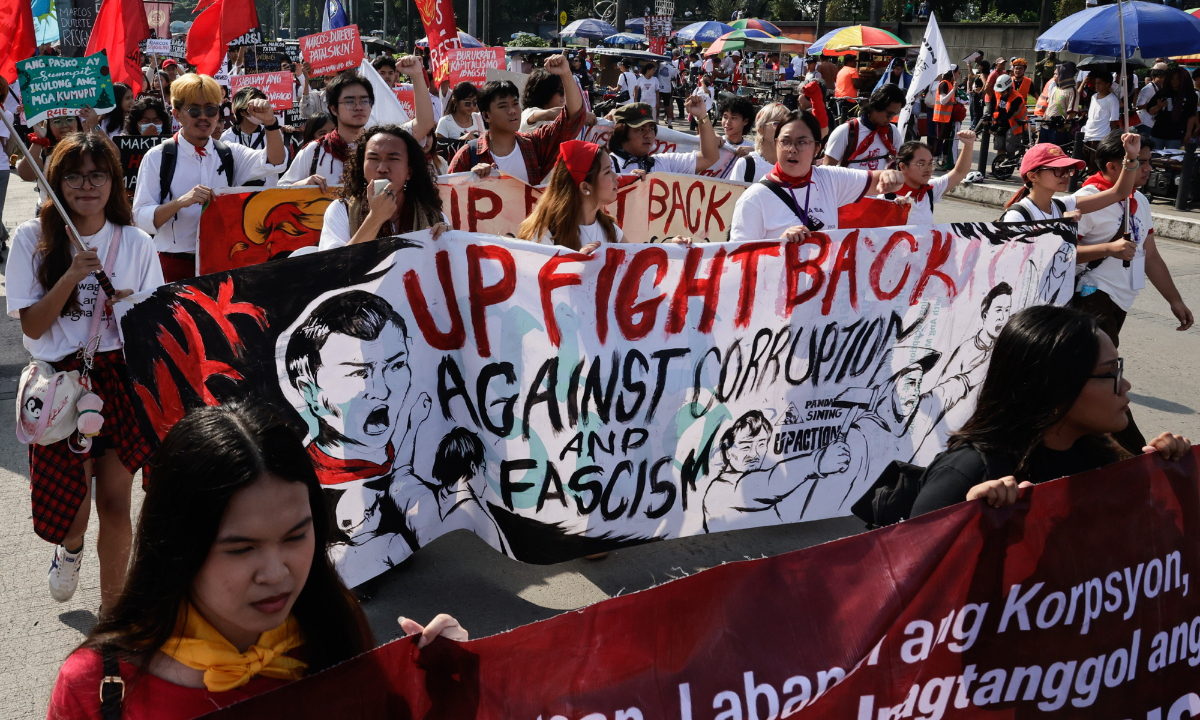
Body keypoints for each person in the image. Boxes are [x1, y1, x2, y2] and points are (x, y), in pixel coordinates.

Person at [44, 403, 467, 718]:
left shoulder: (333, 630)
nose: (276, 573)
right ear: (176, 543)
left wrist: (443, 692)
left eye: (296, 536)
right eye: (241, 548)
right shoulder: (94, 687)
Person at [6, 132, 163, 612]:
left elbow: (155, 323)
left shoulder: (134, 241)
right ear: (56, 180)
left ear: (114, 181)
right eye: (73, 174)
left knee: (116, 503)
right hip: (59, 383)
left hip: (119, 379)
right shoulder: (32, 239)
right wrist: (70, 276)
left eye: (98, 174)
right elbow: (31, 324)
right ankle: (70, 550)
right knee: (73, 511)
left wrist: (128, 308)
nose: (86, 185)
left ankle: (113, 615)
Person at [910, 306, 1191, 517]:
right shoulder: (967, 472)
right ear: (1056, 387)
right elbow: (904, 576)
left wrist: (1167, 476)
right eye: (1110, 373)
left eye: (1119, 368)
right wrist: (964, 522)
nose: (1125, 386)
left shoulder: (1099, 456)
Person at [1070, 131, 1193, 452]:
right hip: (1091, 299)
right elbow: (1061, 254)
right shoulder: (1088, 198)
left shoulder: (1141, 200)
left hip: (1119, 303)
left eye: (1149, 161)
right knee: (1106, 381)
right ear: (1114, 166)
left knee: (1082, 381)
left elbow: (1149, 254)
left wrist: (1175, 300)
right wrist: (1108, 249)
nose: (1149, 169)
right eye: (1142, 162)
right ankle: (1133, 454)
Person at [132, 74, 286, 283]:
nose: (203, 117)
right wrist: (180, 203)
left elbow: (275, 161)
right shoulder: (158, 157)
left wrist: (270, 122)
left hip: (221, 265)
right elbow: (141, 218)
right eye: (194, 110)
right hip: (173, 267)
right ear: (177, 114)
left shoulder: (229, 153)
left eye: (211, 110)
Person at [729, 109, 905, 242]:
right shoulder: (754, 199)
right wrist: (778, 244)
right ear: (776, 144)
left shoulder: (829, 179)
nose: (792, 149)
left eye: (802, 142)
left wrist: (893, 177)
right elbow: (738, 261)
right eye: (785, 141)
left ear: (817, 149)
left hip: (823, 288)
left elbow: (880, 181)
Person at [282, 57, 436, 190]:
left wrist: (416, 75)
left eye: (364, 100)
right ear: (334, 109)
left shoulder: (383, 143)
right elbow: (279, 190)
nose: (358, 107)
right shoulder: (315, 151)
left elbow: (424, 123)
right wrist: (303, 184)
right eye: (349, 101)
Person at [448, 53, 585, 186]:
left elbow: (573, 117)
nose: (512, 110)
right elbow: (448, 196)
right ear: (486, 116)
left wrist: (566, 73)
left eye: (515, 103)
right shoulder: (468, 155)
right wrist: (469, 180)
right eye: (503, 106)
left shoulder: (533, 145)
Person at [318, 125, 448, 251]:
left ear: (409, 171)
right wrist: (375, 218)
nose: (382, 169)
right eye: (373, 158)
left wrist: (447, 239)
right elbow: (334, 269)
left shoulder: (433, 215)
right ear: (362, 166)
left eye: (393, 159)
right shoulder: (341, 210)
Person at [1000, 136, 1142, 223]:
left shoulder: (1062, 205)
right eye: (1058, 169)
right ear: (1033, 176)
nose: (1066, 175)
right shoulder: (1017, 216)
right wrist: (1058, 226)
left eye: (1068, 169)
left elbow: (1119, 193)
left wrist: (1131, 157)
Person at [517, 140, 622, 252]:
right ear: (585, 187)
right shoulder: (543, 232)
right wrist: (577, 263)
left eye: (612, 169)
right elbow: (536, 269)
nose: (616, 177)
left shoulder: (608, 227)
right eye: (607, 172)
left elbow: (635, 264)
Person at [885, 131, 977, 226]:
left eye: (930, 163)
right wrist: (891, 207)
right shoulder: (886, 195)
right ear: (903, 166)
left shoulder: (929, 191)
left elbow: (959, 172)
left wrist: (968, 144)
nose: (928, 169)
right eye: (921, 164)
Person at [607, 97, 720, 175]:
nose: (648, 135)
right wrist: (625, 182)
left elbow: (709, 157)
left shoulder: (664, 163)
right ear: (622, 132)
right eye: (640, 129)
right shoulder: (607, 165)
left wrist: (702, 116)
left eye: (651, 128)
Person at [220, 86, 291, 188]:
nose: (261, 112)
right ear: (242, 111)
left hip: (268, 195)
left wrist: (271, 122)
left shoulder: (272, 133)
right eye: (256, 108)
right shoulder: (227, 138)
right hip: (240, 199)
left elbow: (278, 163)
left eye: (263, 107)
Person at [824, 84, 905, 170]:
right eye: (889, 114)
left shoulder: (892, 132)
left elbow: (902, 162)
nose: (891, 118)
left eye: (894, 114)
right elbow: (826, 172)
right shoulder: (845, 132)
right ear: (875, 106)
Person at [730, 102, 791, 183]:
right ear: (760, 129)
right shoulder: (747, 164)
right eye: (776, 123)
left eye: (786, 124)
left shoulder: (792, 164)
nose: (783, 129)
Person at [1150, 67, 1199, 151]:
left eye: (1178, 79)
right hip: (1158, 132)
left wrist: (1188, 134)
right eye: (1172, 78)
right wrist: (1158, 106)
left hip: (1177, 134)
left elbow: (1191, 116)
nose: (1174, 81)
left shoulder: (1191, 95)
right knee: (1154, 158)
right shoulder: (1163, 92)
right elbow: (1151, 111)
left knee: (1172, 159)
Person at [988, 73, 1028, 169]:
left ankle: (1008, 167)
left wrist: (997, 125)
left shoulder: (1016, 98)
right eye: (999, 91)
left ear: (1009, 88)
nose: (1000, 93)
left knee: (1010, 148)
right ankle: (999, 167)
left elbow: (1009, 114)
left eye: (1003, 92)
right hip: (1000, 124)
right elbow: (992, 106)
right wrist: (988, 117)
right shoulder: (997, 93)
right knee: (999, 146)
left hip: (1013, 126)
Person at [1081, 71, 1120, 169]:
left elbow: (1114, 121)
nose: (1096, 85)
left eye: (1099, 83)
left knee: (1094, 165)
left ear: (1107, 85)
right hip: (1088, 134)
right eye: (1096, 83)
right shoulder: (1094, 97)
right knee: (1084, 163)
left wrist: (1107, 136)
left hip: (1100, 136)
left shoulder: (1112, 100)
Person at [1040, 61, 1079, 146]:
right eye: (1054, 74)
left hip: (1059, 128)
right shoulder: (1054, 88)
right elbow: (1049, 105)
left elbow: (1072, 112)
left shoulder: (1072, 91)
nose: (1054, 77)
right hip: (1046, 125)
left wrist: (1063, 127)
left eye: (1056, 74)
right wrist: (1043, 120)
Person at [929, 66, 960, 167]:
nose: (959, 74)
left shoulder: (950, 84)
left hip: (947, 117)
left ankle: (945, 159)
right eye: (957, 72)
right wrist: (953, 91)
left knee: (946, 138)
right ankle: (934, 160)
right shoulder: (944, 84)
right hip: (941, 117)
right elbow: (943, 100)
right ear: (952, 73)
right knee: (939, 138)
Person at [1135, 64, 1169, 135]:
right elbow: (1139, 105)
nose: (1163, 80)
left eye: (1165, 78)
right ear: (1153, 77)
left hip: (1152, 122)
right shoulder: (1147, 89)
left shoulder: (1160, 88)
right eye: (1160, 77)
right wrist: (1155, 105)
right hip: (1144, 122)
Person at [657, 58, 679, 127]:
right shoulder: (673, 68)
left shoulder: (659, 64)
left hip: (658, 88)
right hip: (667, 89)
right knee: (668, 105)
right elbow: (674, 78)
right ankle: (669, 122)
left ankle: (657, 121)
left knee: (657, 104)